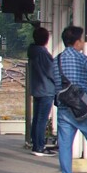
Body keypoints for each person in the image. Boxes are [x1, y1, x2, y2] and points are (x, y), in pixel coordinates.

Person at [51, 25, 87, 173]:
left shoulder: (57, 60)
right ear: (77, 42)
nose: (82, 43)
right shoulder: (82, 59)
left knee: (65, 145)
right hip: (82, 108)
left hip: (64, 107)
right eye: (81, 40)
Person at [27, 26, 56, 156]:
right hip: (46, 89)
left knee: (37, 118)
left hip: (37, 88)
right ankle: (39, 146)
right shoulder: (43, 53)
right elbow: (52, 72)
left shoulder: (33, 51)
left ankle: (35, 143)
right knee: (42, 119)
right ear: (46, 39)